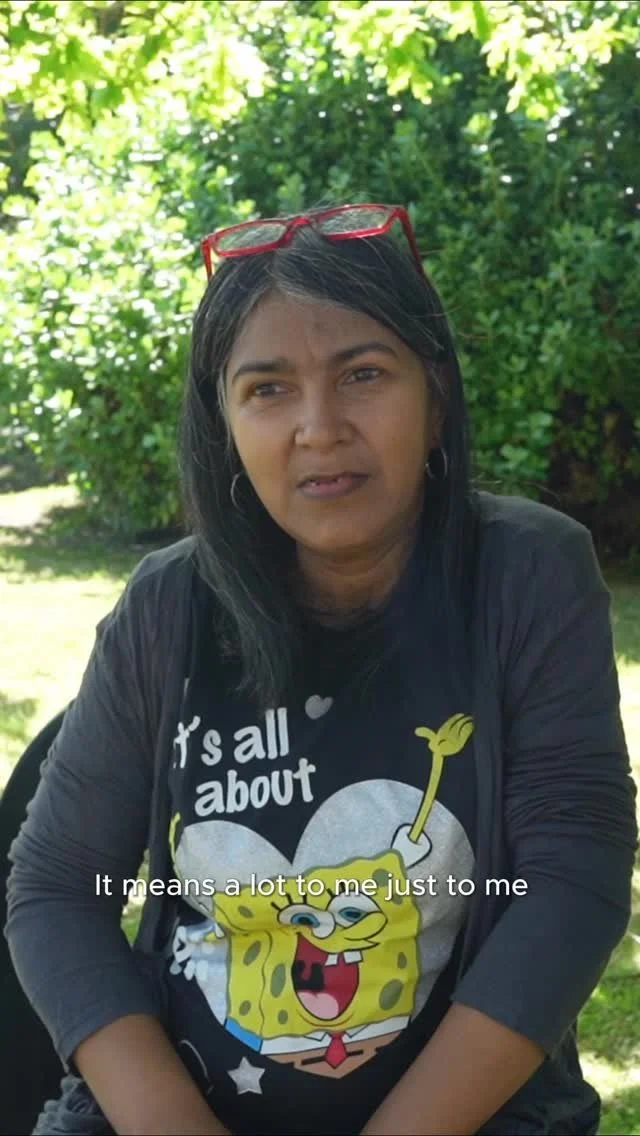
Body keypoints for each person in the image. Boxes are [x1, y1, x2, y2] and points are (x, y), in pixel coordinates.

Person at [5, 203, 637, 1136]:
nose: (319, 426)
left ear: (436, 398)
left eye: (364, 374)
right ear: (224, 425)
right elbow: (58, 887)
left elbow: (572, 876)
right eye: (267, 389)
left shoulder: (526, 574)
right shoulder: (167, 607)